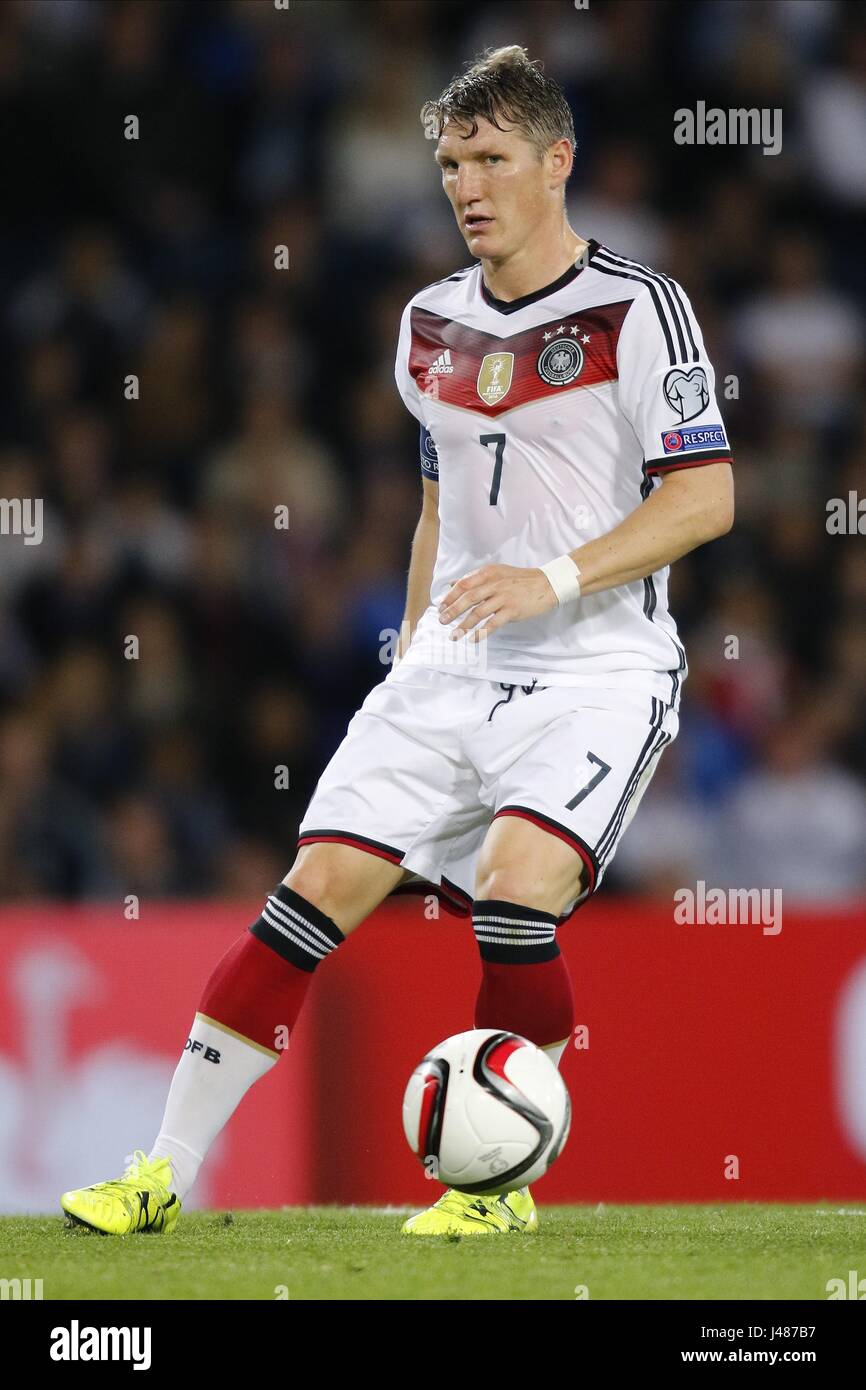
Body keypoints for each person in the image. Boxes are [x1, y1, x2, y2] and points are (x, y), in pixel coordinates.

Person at [60, 45, 734, 1238]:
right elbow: (438, 506)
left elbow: (705, 502)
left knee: (514, 893)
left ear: (555, 162)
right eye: (449, 164)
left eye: (489, 160)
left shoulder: (638, 308)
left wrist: (555, 576)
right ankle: (158, 1170)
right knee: (306, 895)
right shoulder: (425, 321)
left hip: (593, 668)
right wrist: (416, 647)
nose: (466, 186)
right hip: (450, 662)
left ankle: (495, 1189)